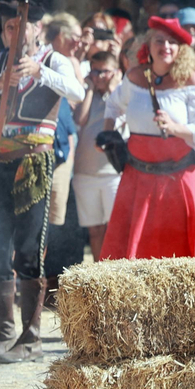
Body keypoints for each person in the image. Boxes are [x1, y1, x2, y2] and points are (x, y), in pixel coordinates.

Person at [0, 5, 85, 361]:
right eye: (8, 27)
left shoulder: (55, 59)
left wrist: (40, 72)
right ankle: (5, 335)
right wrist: (0, 81)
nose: (15, 34)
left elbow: (77, 93)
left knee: (30, 249)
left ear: (37, 29)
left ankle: (30, 339)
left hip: (35, 163)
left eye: (21, 26)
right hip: (1, 162)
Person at [101, 18, 195, 260]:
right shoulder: (134, 77)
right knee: (131, 257)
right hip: (137, 177)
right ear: (148, 45)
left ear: (181, 50)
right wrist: (108, 134)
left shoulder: (192, 82)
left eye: (172, 42)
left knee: (178, 257)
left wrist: (175, 127)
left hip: (178, 179)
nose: (165, 46)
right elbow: (113, 105)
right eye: (159, 40)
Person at [71, 50, 124, 260]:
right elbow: (81, 119)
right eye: (95, 71)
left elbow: (118, 122)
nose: (100, 76)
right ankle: (98, 271)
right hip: (85, 173)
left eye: (105, 72)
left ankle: (115, 276)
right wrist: (90, 90)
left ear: (116, 72)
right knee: (95, 230)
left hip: (113, 173)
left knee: (115, 229)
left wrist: (113, 89)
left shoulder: (121, 96)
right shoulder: (86, 95)